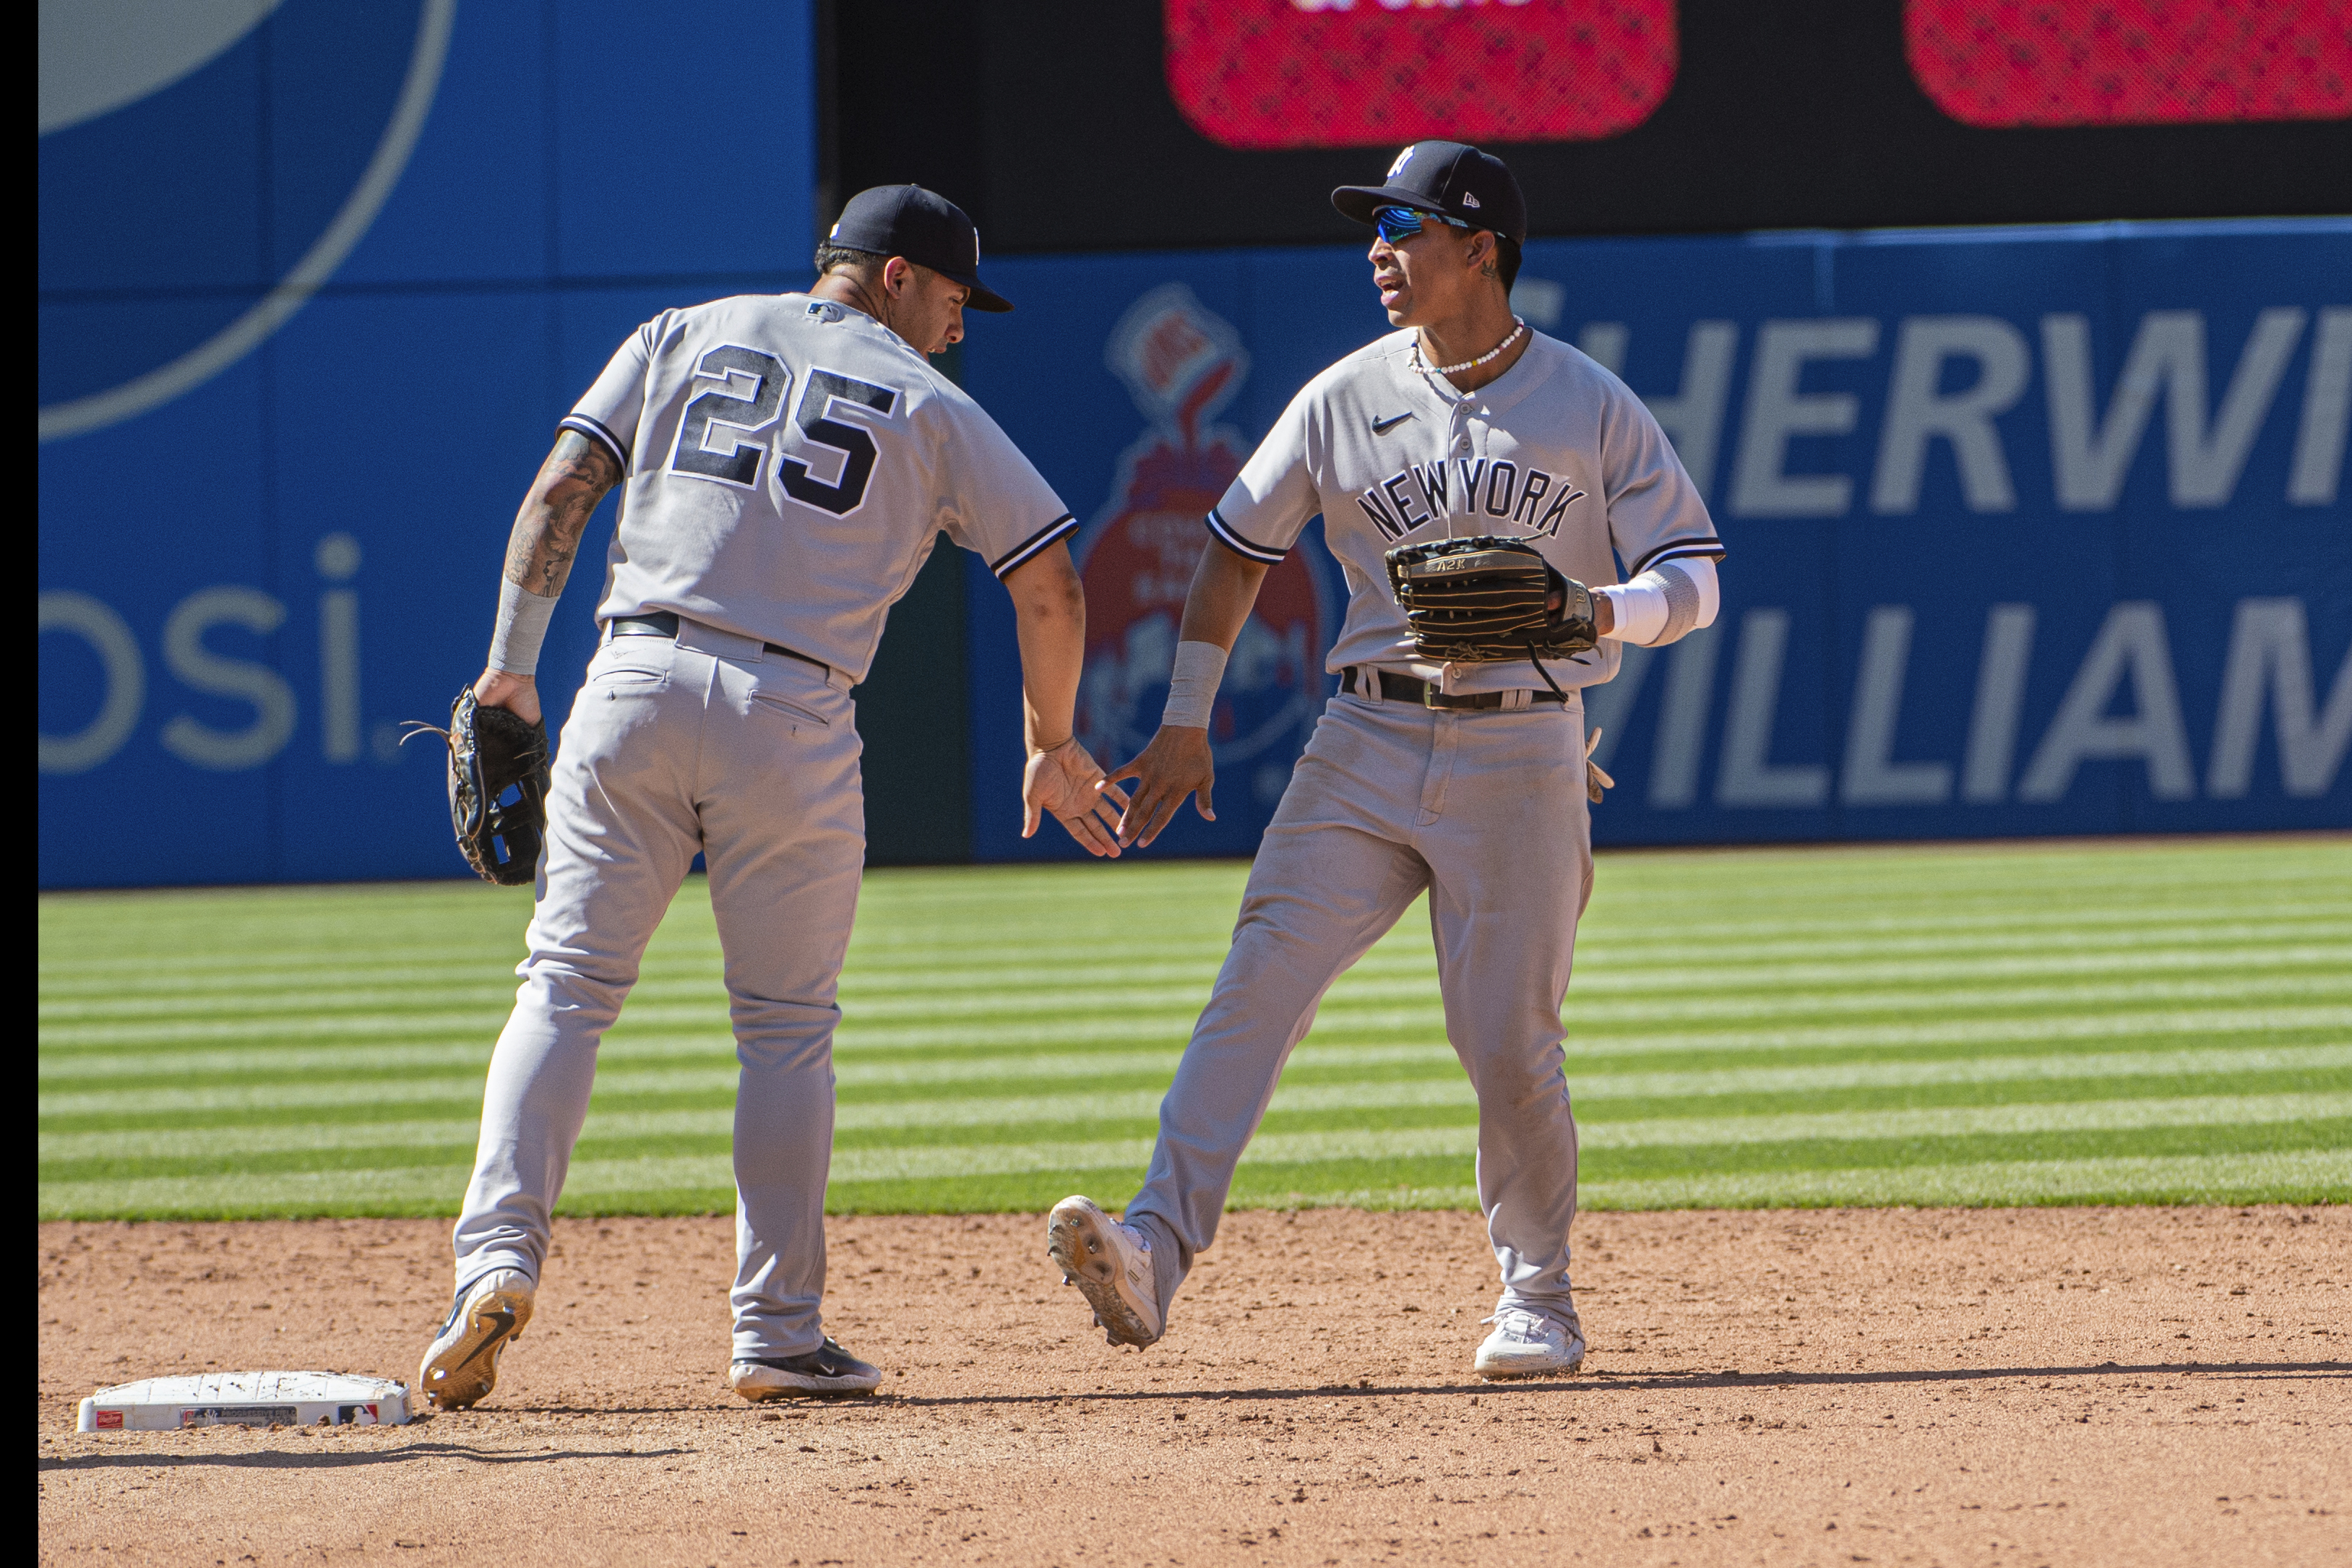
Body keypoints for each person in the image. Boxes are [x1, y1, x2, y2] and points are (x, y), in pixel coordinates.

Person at [419, 184, 1126, 1410]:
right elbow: (1051, 580)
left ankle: (493, 1262)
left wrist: (509, 668)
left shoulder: (680, 330)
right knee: (786, 1029)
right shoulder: (934, 405)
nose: (960, 328)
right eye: (955, 297)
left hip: (630, 674)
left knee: (567, 987)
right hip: (790, 711)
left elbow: (560, 493)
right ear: (897, 276)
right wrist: (1051, 741)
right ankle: (777, 1333)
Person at [1045, 141, 1724, 1379]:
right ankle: (1151, 1248)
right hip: (1363, 732)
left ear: (1482, 250)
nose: (1379, 251)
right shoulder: (1342, 394)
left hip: (1527, 740)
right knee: (1256, 986)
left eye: (1404, 229)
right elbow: (1237, 548)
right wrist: (1188, 718)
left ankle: (1541, 1294)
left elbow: (1697, 578)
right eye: (1377, 229)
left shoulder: (1587, 402)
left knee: (1507, 1039)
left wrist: (1594, 613)